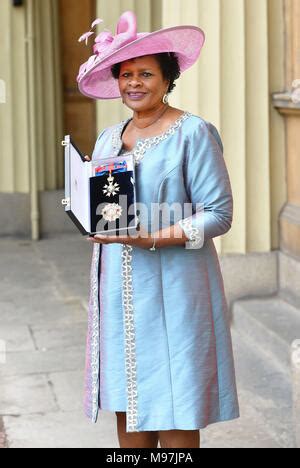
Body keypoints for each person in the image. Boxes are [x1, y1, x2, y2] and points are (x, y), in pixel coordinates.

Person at [77, 10, 240, 449]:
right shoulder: (108, 138)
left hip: (175, 287)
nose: (133, 83)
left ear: (168, 78)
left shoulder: (193, 133)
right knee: (127, 396)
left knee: (175, 396)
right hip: (118, 287)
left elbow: (218, 214)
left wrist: (153, 236)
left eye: (145, 73)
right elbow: (105, 206)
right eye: (125, 74)